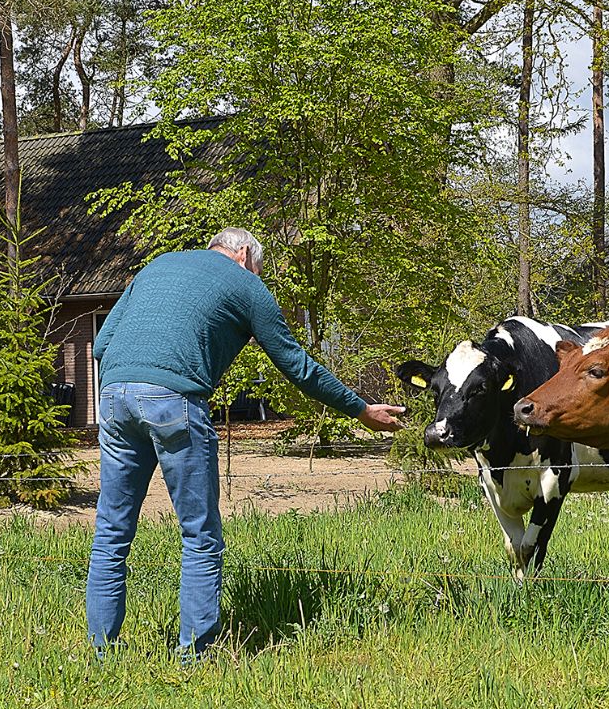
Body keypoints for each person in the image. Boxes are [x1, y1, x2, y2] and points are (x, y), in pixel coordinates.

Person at [87, 227, 405, 659]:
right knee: (199, 535)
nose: (259, 276)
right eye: (258, 267)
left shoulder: (158, 264)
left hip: (114, 396)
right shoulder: (245, 284)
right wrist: (360, 410)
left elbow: (101, 344)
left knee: (111, 531)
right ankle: (194, 657)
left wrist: (129, 386)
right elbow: (296, 364)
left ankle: (99, 653)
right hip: (175, 400)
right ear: (242, 255)